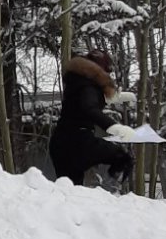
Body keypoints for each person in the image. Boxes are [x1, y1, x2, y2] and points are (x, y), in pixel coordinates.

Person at [48, 48, 134, 190]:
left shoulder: (78, 82)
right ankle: (116, 185)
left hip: (61, 142)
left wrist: (112, 98)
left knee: (70, 191)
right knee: (122, 157)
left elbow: (84, 103)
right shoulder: (88, 87)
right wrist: (114, 127)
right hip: (77, 142)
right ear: (102, 71)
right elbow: (89, 108)